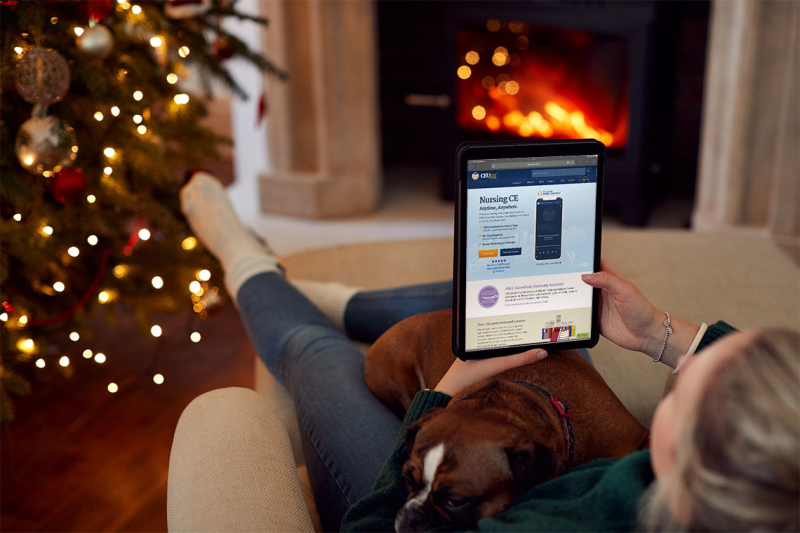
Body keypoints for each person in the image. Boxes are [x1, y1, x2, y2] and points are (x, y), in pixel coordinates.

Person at [180, 173, 800, 532]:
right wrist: (658, 333)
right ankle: (347, 303)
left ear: (688, 462)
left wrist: (440, 394)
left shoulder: (558, 522)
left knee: (312, 349)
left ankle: (247, 264)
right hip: (539, 430)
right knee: (515, 293)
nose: (682, 366)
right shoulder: (737, 493)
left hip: (426, 470)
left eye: (686, 384)